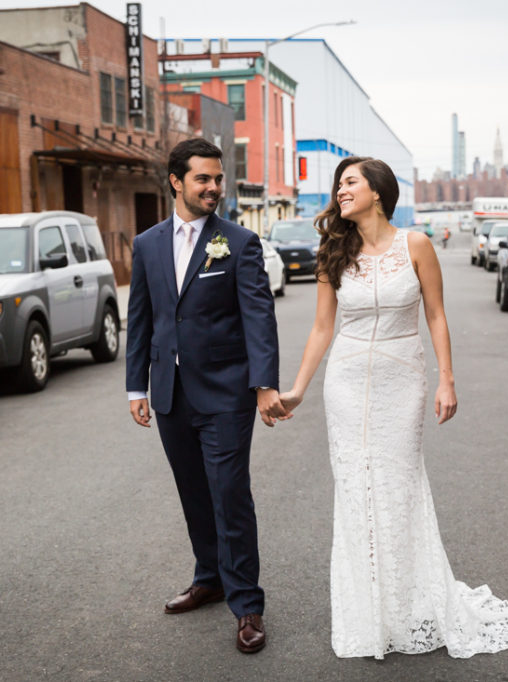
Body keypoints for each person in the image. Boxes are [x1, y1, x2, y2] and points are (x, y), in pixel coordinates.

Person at [280, 157, 508, 659]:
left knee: (397, 486)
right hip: (346, 382)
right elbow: (322, 329)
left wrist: (447, 380)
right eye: (340, 184)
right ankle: (368, 611)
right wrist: (298, 388)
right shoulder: (333, 251)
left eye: (350, 182)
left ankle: (407, 603)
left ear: (377, 191)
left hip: (402, 381)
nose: (341, 191)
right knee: (356, 490)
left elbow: (435, 314)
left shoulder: (415, 245)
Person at [126, 138, 290, 654]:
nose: (214, 188)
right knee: (194, 492)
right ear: (176, 181)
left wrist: (264, 385)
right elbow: (142, 320)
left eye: (218, 179)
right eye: (203, 179)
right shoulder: (147, 244)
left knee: (229, 494)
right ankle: (210, 578)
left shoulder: (238, 243)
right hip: (171, 393)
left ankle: (247, 604)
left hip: (225, 393)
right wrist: (137, 386)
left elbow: (259, 317)